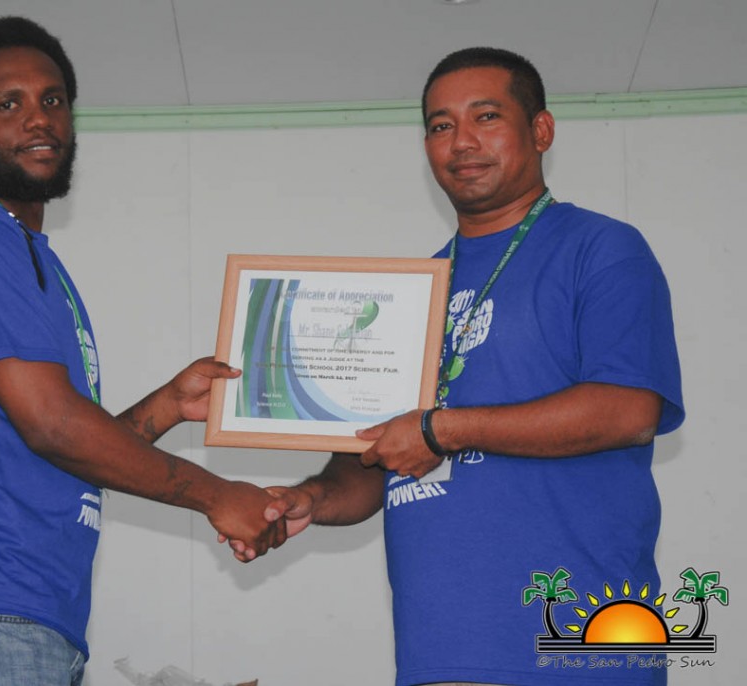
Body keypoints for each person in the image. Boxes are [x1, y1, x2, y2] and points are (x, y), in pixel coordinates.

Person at [245, 47, 684, 686]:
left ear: (541, 130)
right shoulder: (404, 294)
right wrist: (310, 498)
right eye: (440, 125)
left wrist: (441, 429)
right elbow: (375, 455)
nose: (462, 141)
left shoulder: (601, 247)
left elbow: (629, 410)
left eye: (486, 116)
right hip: (440, 651)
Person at [0, 16, 285, 686]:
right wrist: (216, 495)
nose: (39, 119)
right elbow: (53, 425)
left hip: (14, 614)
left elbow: (53, 451)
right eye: (8, 104)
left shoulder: (23, 250)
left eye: (53, 99)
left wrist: (165, 406)